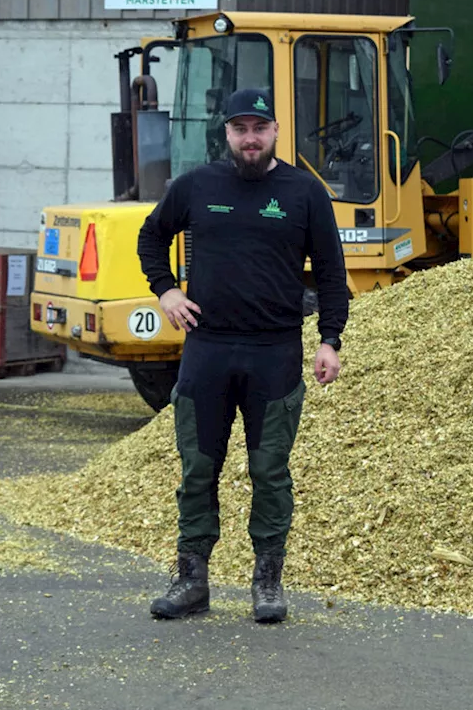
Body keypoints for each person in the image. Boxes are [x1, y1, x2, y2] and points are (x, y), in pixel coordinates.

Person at [136, 87, 349, 624]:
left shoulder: (304, 192)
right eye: (239, 129)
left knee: (270, 470)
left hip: (274, 353)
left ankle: (268, 582)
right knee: (198, 468)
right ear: (226, 133)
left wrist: (329, 339)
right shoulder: (196, 186)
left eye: (259, 128)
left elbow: (330, 273)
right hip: (206, 350)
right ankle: (191, 580)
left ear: (276, 131)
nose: (249, 139)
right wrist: (166, 291)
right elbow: (150, 237)